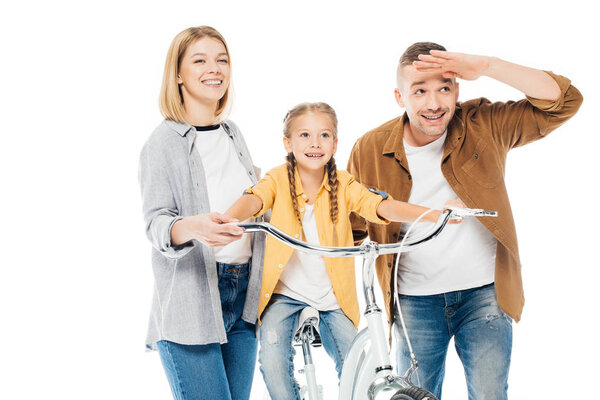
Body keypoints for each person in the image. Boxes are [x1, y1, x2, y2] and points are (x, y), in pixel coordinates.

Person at [347, 42, 583, 399]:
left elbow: (565, 101)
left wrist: (487, 64)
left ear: (458, 89)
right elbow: (350, 230)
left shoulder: (482, 124)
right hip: (414, 302)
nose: (434, 103)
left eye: (444, 88)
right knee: (417, 396)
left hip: (484, 295)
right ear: (400, 97)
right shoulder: (369, 148)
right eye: (420, 91)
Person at [225, 102, 461, 400]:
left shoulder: (344, 183)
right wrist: (228, 219)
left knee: (358, 366)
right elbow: (254, 199)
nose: (315, 143)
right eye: (305, 135)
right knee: (272, 362)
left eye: (324, 136)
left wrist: (434, 213)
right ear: (288, 142)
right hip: (283, 296)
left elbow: (379, 205)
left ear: (335, 143)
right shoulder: (277, 179)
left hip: (333, 298)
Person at [138, 26, 264, 400]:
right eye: (200, 60)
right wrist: (192, 227)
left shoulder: (232, 132)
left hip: (243, 297)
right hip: (191, 304)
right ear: (177, 74)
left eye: (222, 60)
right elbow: (155, 223)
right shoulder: (162, 143)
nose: (215, 69)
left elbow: (251, 196)